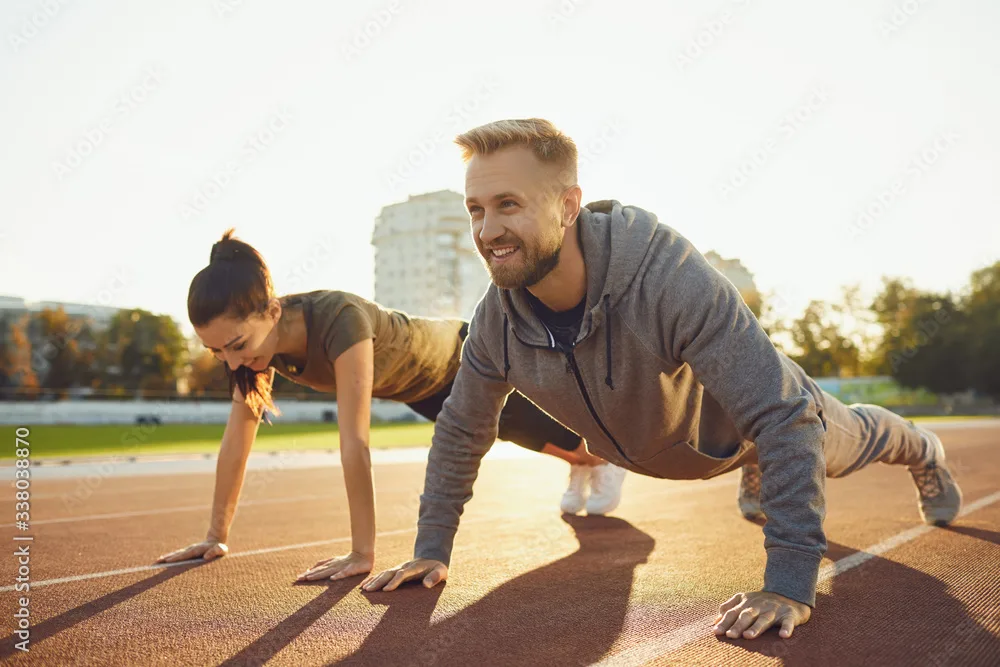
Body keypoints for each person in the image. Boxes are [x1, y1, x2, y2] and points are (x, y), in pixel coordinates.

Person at [360, 118, 963, 642]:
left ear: (569, 205)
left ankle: (924, 448)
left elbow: (782, 417)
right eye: (476, 209)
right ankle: (755, 464)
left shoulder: (666, 279)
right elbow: (462, 429)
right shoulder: (498, 321)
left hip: (772, 411)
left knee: (848, 438)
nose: (487, 230)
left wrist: (789, 585)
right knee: (763, 439)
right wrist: (430, 549)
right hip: (689, 442)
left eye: (508, 204)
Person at [154, 229, 628, 582]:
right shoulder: (253, 354)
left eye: (237, 344)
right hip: (419, 390)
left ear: (273, 311)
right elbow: (236, 441)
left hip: (462, 357)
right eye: (218, 352)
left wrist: (362, 554)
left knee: (565, 441)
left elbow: (355, 441)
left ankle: (598, 461)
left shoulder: (340, 320)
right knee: (532, 440)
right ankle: (580, 462)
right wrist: (217, 535)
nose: (233, 360)